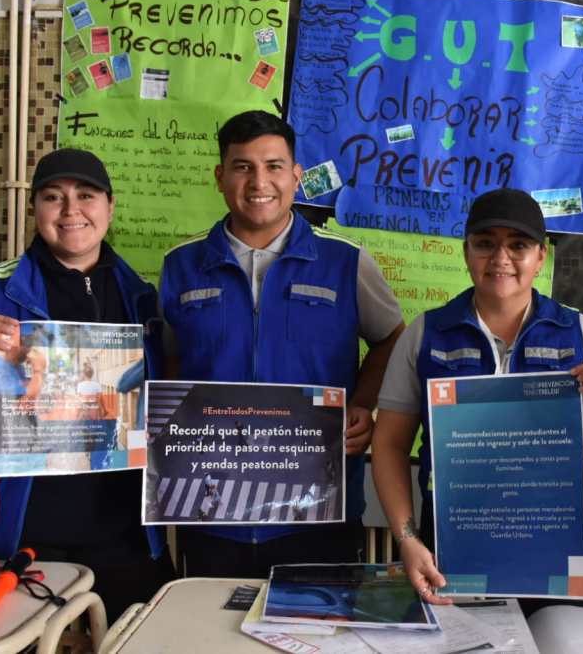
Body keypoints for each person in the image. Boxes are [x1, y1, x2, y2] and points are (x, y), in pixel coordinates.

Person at [0, 148, 176, 622]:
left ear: (110, 207)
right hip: (18, 537)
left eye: (86, 196)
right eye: (54, 197)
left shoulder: (145, 301)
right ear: (35, 208)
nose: (71, 210)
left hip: (125, 535)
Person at [160, 110, 404, 577]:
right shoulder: (180, 267)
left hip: (317, 509)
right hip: (211, 511)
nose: (258, 182)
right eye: (242, 166)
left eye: (273, 166)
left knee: (317, 639)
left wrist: (364, 404)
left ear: (296, 176)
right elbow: (170, 361)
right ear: (220, 176)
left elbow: (392, 339)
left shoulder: (346, 262)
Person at [370, 188, 583, 605]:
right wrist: (406, 538)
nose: (500, 258)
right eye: (485, 243)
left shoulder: (579, 332)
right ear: (466, 252)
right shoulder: (425, 334)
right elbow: (388, 444)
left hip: (549, 555)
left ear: (541, 257)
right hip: (448, 555)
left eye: (518, 245)